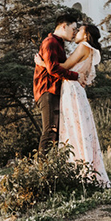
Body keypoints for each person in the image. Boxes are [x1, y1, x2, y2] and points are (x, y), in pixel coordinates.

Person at [35, 24, 110, 187]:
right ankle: (86, 169)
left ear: (86, 35)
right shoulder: (90, 51)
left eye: (80, 30)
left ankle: (79, 172)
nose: (76, 32)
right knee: (81, 128)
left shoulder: (83, 47)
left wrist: (41, 63)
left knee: (73, 129)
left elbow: (64, 67)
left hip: (71, 91)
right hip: (76, 91)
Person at [33, 14, 87, 155]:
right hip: (48, 90)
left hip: (53, 91)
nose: (74, 32)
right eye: (73, 28)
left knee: (56, 133)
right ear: (64, 26)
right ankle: (41, 170)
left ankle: (50, 169)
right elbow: (54, 69)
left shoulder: (58, 44)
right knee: (50, 131)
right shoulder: (51, 42)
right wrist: (77, 76)